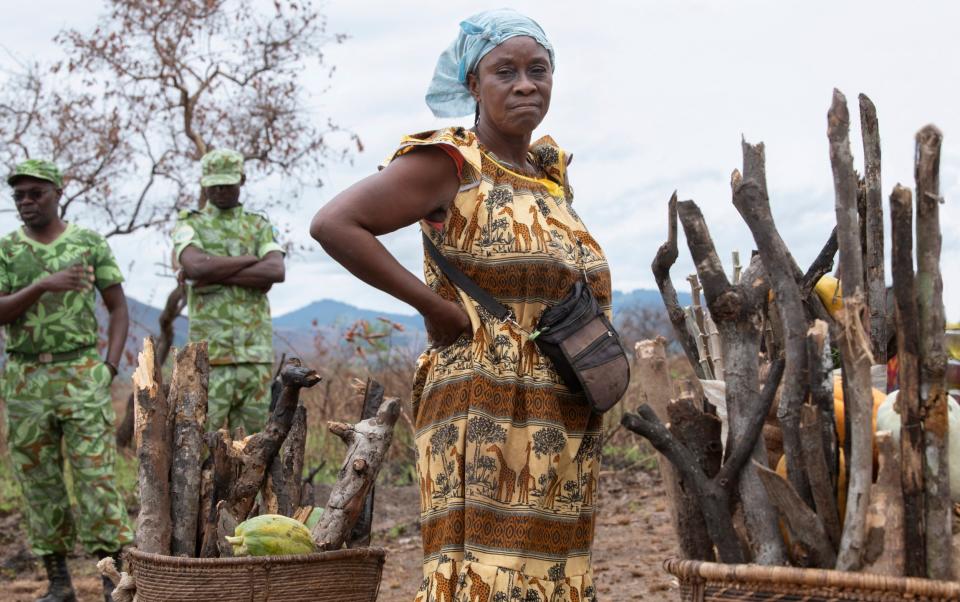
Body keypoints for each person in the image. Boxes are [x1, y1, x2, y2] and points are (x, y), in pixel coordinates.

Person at [311, 10, 604, 600]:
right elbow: (336, 224)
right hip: (482, 400)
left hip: (561, 405)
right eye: (505, 71)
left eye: (538, 69)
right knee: (484, 570)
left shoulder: (546, 175)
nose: (526, 83)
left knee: (550, 569)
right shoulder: (450, 162)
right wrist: (433, 307)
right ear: (473, 84)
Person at [0, 159, 133, 602]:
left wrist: (109, 367)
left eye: (35, 193)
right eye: (18, 195)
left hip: (80, 373)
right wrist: (42, 285)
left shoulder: (88, 242)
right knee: (40, 483)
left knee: (96, 479)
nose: (26, 202)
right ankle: (59, 584)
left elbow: (117, 307)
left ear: (58, 192)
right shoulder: (7, 250)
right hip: (25, 379)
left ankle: (112, 581)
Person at [173, 149, 285, 433]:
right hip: (208, 359)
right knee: (198, 442)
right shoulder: (190, 224)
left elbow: (275, 271)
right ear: (203, 183)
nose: (221, 190)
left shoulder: (258, 225)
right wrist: (250, 261)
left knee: (255, 447)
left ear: (242, 180)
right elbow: (196, 266)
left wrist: (214, 273)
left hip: (255, 356)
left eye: (227, 183)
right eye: (214, 184)